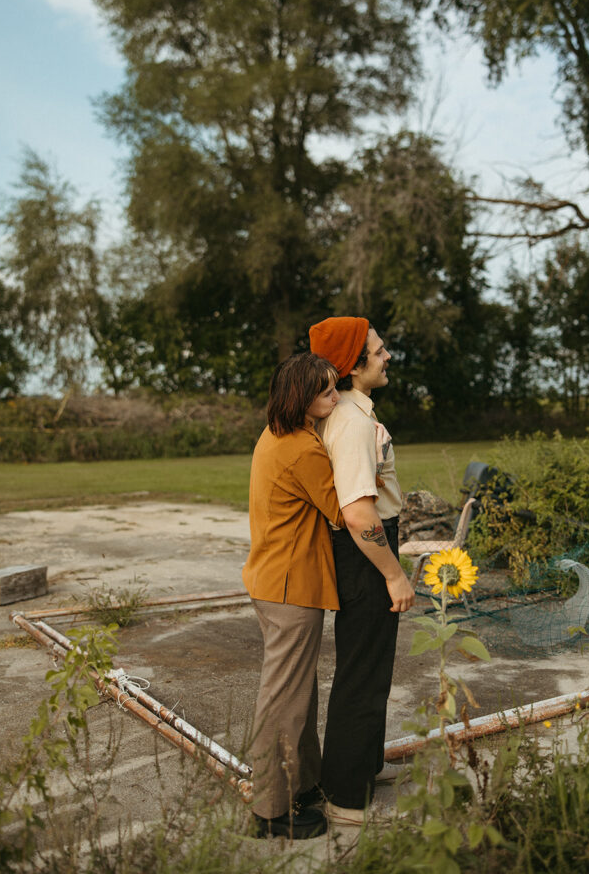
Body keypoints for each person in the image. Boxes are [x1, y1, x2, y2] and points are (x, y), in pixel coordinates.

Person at [308, 316, 415, 826]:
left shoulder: (355, 411)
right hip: (366, 552)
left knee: (373, 667)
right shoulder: (351, 423)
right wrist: (394, 574)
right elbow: (357, 513)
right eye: (377, 351)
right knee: (361, 674)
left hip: (370, 548)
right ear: (352, 365)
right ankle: (346, 797)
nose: (387, 355)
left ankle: (365, 767)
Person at [242, 351, 344, 840]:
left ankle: (301, 785)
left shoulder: (277, 433)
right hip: (290, 586)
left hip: (273, 580)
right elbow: (343, 511)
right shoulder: (303, 448)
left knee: (296, 691)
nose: (336, 397)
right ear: (303, 396)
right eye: (327, 391)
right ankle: (270, 812)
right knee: (284, 698)